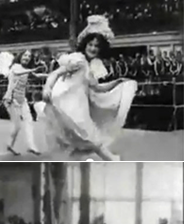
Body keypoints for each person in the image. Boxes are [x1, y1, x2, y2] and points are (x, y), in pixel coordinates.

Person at [41, 15, 137, 161]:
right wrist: (47, 88)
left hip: (79, 105)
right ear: (85, 45)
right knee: (89, 137)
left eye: (97, 46)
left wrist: (118, 82)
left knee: (80, 141)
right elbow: (55, 73)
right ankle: (112, 160)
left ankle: (92, 162)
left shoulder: (92, 65)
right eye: (90, 44)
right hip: (68, 103)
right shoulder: (78, 59)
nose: (93, 48)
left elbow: (98, 87)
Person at [2, 49, 46, 156]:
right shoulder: (15, 67)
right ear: (20, 56)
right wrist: (33, 69)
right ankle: (10, 145)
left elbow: (35, 76)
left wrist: (49, 75)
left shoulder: (27, 70)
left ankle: (31, 146)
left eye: (29, 56)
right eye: (25, 55)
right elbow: (18, 72)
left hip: (22, 100)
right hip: (11, 100)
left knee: (29, 121)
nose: (26, 58)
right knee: (17, 126)